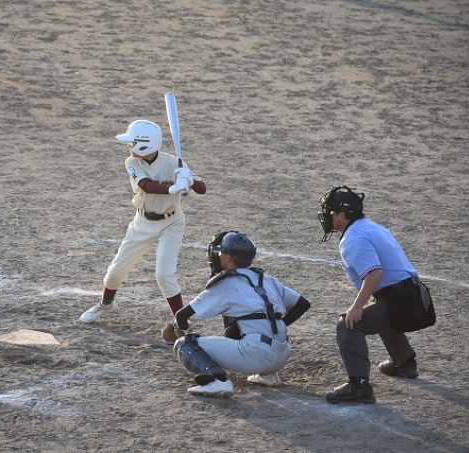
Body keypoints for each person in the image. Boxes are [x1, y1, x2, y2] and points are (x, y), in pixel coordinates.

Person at [80, 119, 207, 340]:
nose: (130, 146)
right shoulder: (132, 162)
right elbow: (145, 185)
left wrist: (188, 179)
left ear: (146, 143)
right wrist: (173, 188)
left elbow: (202, 189)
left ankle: (181, 324)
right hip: (142, 223)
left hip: (172, 223)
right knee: (115, 271)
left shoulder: (174, 162)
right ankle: (106, 304)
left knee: (164, 275)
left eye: (133, 142)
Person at [317, 186, 434, 404]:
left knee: (349, 324)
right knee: (377, 305)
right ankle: (404, 363)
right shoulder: (370, 227)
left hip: (404, 302)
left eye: (331, 212)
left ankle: (359, 386)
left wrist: (356, 308)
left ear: (342, 215)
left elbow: (374, 273)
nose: (326, 215)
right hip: (415, 297)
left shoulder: (353, 238)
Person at [169, 231, 311, 398]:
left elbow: (181, 316)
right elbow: (303, 304)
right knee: (243, 321)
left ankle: (216, 381)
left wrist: (180, 328)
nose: (218, 255)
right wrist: (277, 326)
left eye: (221, 252)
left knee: (185, 344)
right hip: (283, 354)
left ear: (229, 257)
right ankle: (268, 375)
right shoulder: (265, 278)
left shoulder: (226, 283)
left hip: (257, 356)